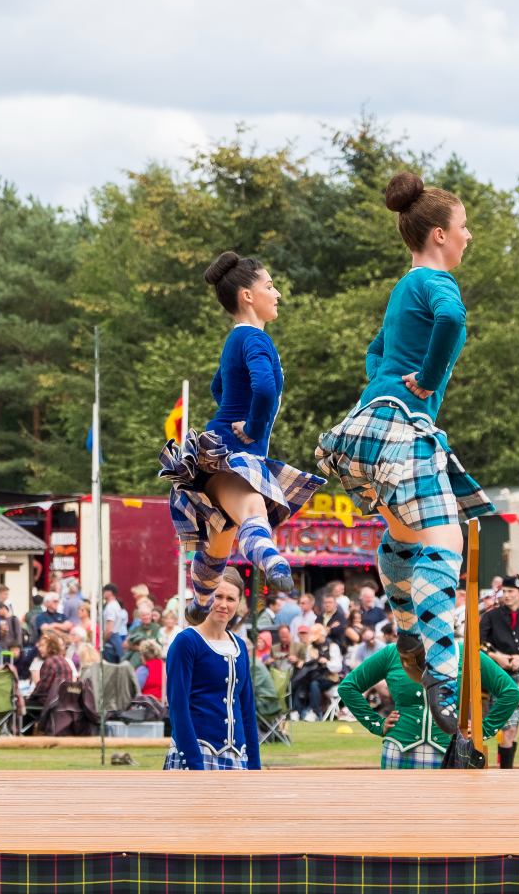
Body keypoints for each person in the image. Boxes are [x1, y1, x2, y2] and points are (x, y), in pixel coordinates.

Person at [314, 171, 493, 744]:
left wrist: (387, 387)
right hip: (399, 431)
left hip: (361, 434)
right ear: (439, 234)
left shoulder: (402, 287)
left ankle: (409, 633)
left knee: (405, 538)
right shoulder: (436, 283)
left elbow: (375, 352)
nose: (470, 237)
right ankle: (441, 680)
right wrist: (429, 379)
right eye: (464, 228)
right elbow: (454, 321)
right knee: (446, 545)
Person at [158, 252, 327, 625]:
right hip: (235, 452)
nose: (277, 293)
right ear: (248, 296)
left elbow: (219, 387)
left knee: (219, 540)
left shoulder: (234, 339)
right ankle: (272, 563)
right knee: (251, 513)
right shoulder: (255, 339)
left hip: (216, 451)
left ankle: (200, 600)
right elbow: (264, 389)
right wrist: (251, 427)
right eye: (269, 286)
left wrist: (235, 415)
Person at [338, 635, 519, 768]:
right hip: (398, 749)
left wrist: (483, 730)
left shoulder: (464, 653)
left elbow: (511, 693)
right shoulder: (392, 653)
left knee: (444, 817)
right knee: (395, 816)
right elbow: (348, 687)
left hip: (448, 751)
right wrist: (377, 724)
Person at [163, 568, 261, 770]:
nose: (224, 605)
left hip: (236, 757)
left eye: (231, 599)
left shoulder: (240, 646)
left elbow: (247, 709)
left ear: (238, 603)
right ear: (205, 598)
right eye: (218, 597)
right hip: (197, 752)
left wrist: (254, 765)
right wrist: (193, 763)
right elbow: (178, 707)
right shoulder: (187, 641)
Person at [478, 575, 519, 767]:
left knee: (514, 729)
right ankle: (506, 772)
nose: (507, 595)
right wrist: (497, 658)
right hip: (498, 677)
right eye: (505, 591)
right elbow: (477, 645)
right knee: (508, 727)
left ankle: (507, 770)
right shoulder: (490, 616)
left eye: (511, 591)